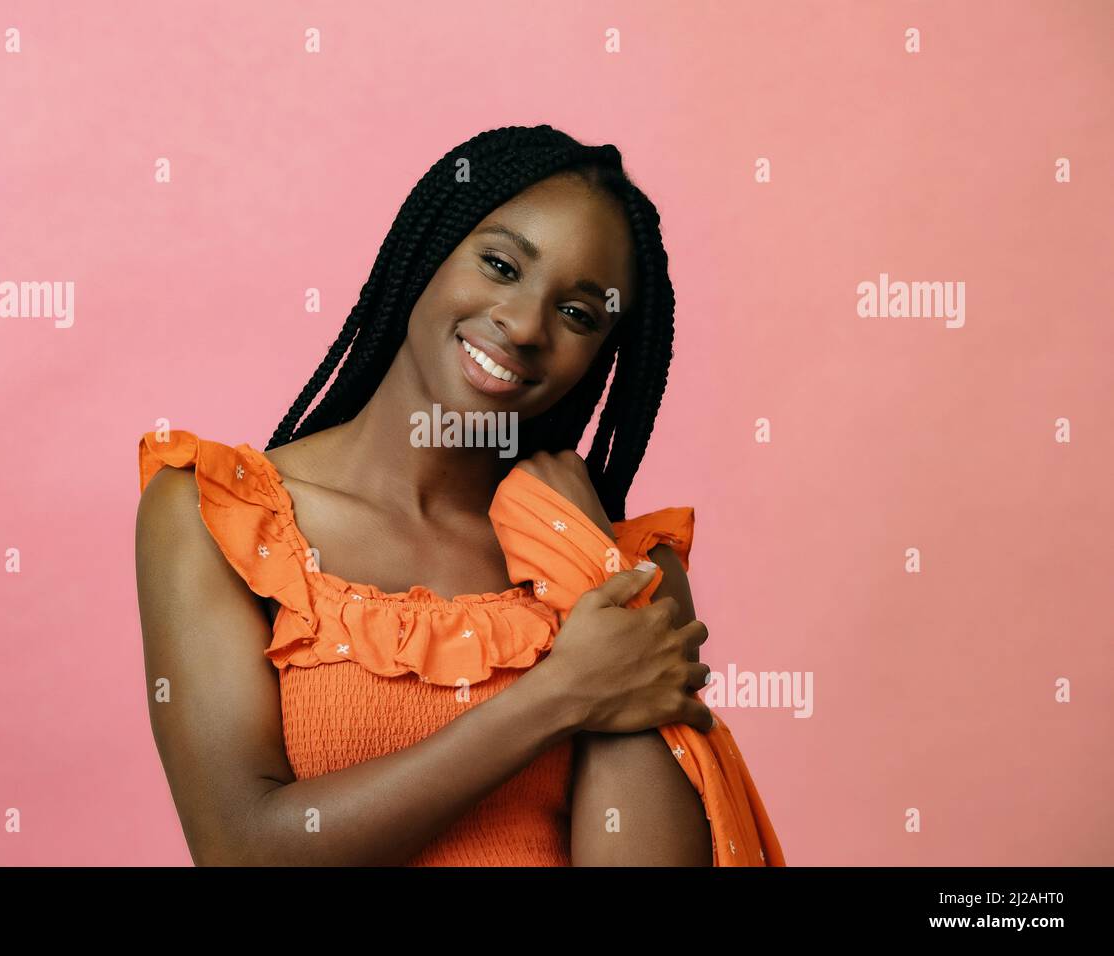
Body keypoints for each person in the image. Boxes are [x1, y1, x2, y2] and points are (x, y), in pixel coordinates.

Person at [134, 124, 785, 866]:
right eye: (502, 265)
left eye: (577, 314)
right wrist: (559, 697)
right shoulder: (218, 514)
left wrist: (587, 564)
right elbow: (242, 848)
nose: (524, 324)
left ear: (600, 357)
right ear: (428, 250)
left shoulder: (623, 574)